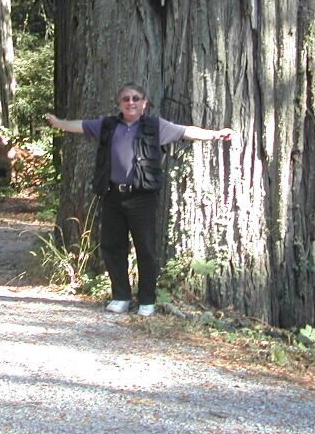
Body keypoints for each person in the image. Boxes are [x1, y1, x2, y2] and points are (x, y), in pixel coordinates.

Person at [46, 83, 234, 317]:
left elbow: (186, 131)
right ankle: (121, 297)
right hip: (112, 196)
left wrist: (215, 134)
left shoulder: (155, 126)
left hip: (142, 197)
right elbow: (81, 126)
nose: (131, 102)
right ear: (119, 103)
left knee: (145, 249)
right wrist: (59, 123)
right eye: (126, 99)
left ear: (144, 103)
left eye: (136, 98)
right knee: (112, 247)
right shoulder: (108, 125)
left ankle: (147, 300)